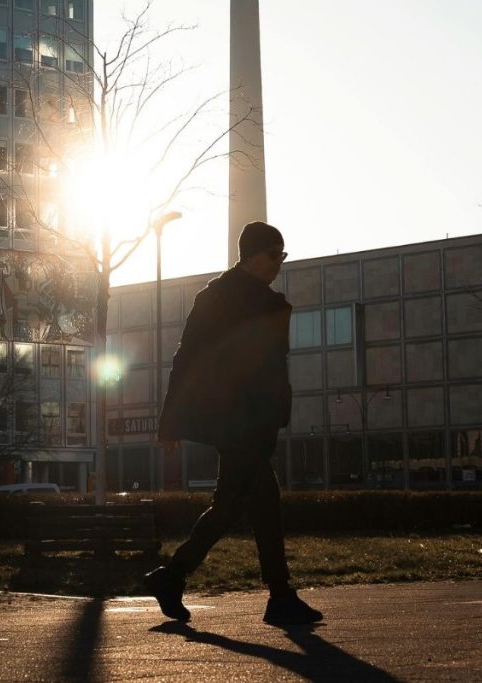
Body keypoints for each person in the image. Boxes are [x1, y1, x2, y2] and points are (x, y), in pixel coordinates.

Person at [144, 221, 322, 626]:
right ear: (252, 254)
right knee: (252, 503)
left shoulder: (266, 302)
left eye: (282, 255)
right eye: (274, 254)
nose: (279, 263)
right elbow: (186, 357)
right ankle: (275, 596)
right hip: (235, 421)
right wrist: (170, 420)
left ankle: (174, 577)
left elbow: (273, 366)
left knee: (241, 504)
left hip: (256, 421)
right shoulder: (217, 298)